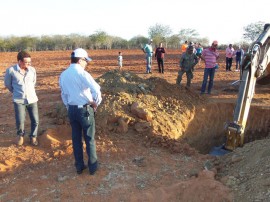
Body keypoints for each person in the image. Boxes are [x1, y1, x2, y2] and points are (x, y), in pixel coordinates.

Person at [59, 48, 102, 175]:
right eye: (85, 60)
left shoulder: (63, 74)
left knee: (76, 139)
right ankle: (93, 167)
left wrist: (68, 106)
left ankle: (79, 166)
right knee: (89, 138)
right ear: (80, 60)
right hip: (85, 110)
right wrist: (95, 103)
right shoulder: (82, 73)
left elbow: (63, 94)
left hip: (72, 110)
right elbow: (97, 90)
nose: (86, 63)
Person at [4, 51, 39, 146]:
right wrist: (16, 92)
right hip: (19, 100)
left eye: (29, 62)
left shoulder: (32, 70)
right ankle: (20, 136)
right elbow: (8, 84)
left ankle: (33, 136)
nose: (29, 64)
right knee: (20, 120)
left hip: (32, 99)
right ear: (19, 61)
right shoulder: (11, 70)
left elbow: (33, 82)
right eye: (26, 62)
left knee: (35, 120)